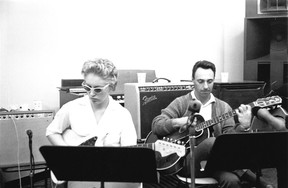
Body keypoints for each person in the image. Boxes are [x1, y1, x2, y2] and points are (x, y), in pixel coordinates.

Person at [151, 60, 271, 188]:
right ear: (192, 81)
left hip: (217, 163)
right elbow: (156, 125)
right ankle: (259, 181)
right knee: (212, 141)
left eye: (210, 81)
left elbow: (230, 141)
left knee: (232, 181)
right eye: (200, 81)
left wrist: (244, 126)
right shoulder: (181, 102)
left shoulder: (224, 107)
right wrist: (179, 121)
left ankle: (255, 180)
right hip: (186, 162)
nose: (206, 86)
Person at [46, 58, 137, 188]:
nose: (91, 94)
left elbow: (130, 153)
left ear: (111, 87)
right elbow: (52, 131)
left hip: (110, 175)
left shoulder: (122, 114)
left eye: (98, 89)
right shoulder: (72, 107)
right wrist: (68, 155)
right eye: (87, 87)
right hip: (78, 175)